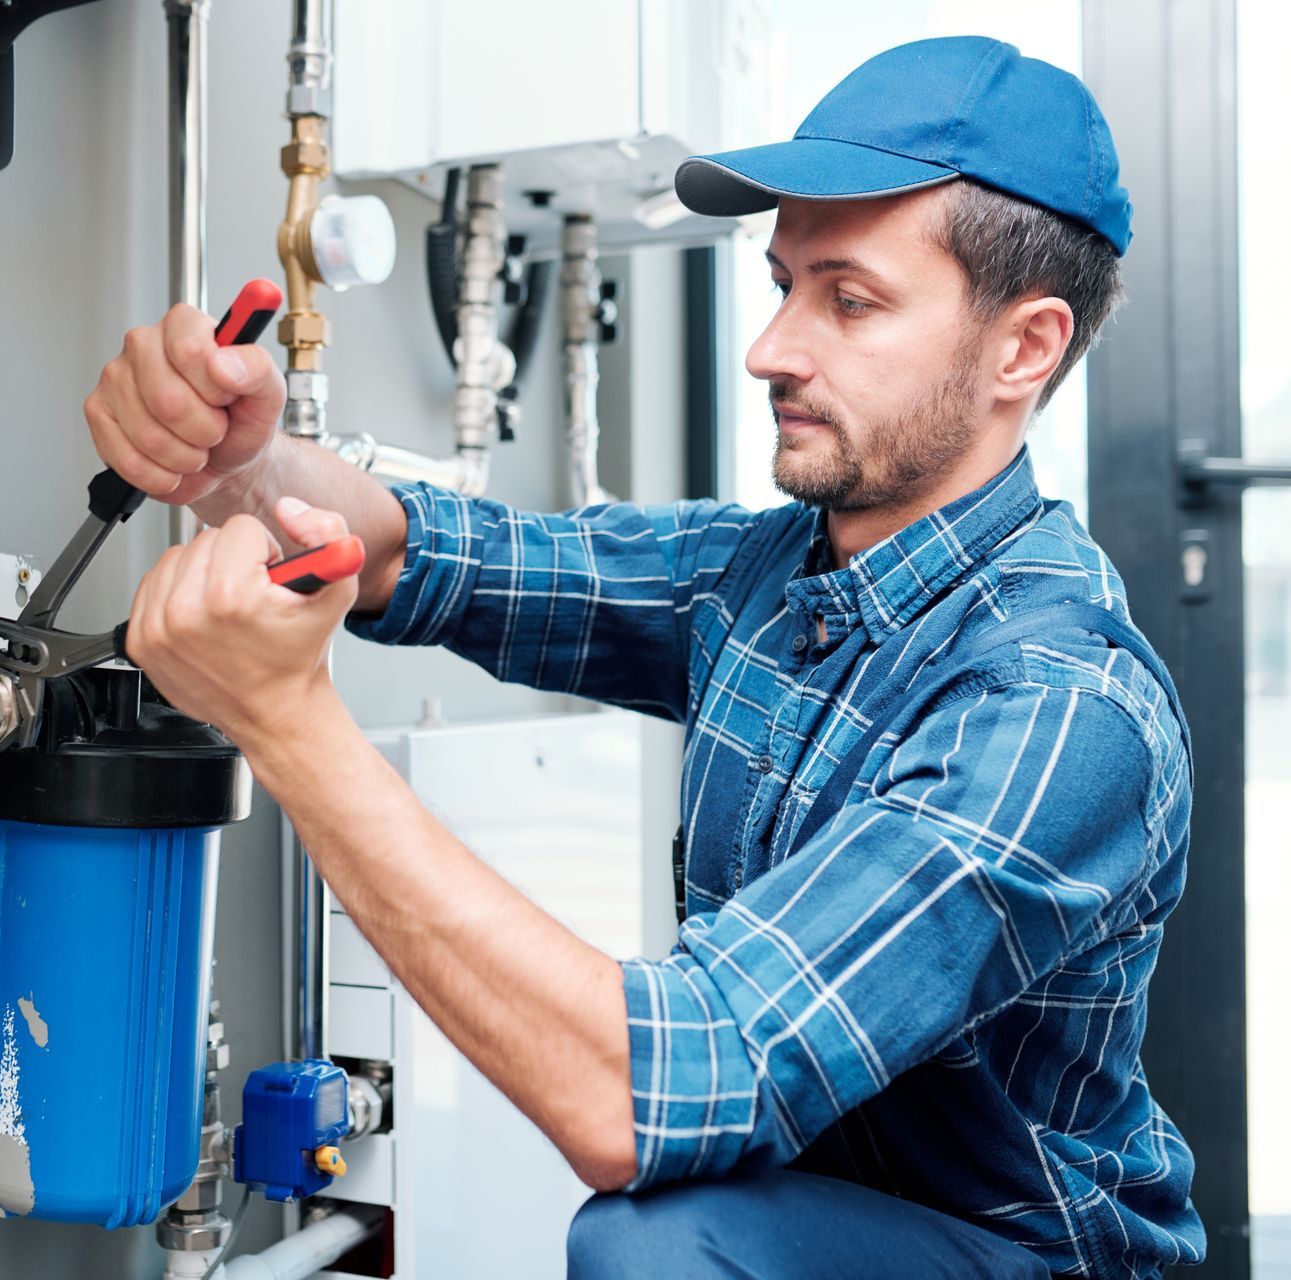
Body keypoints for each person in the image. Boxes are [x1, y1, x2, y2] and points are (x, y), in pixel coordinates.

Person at [83, 36, 1204, 1280]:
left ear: (1024, 348)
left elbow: (652, 1095)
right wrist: (237, 466)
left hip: (1019, 1257)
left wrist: (290, 727)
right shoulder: (772, 574)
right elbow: (434, 549)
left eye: (849, 299)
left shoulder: (1058, 707)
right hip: (812, 1212)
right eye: (783, 286)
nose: (771, 348)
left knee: (658, 1244)